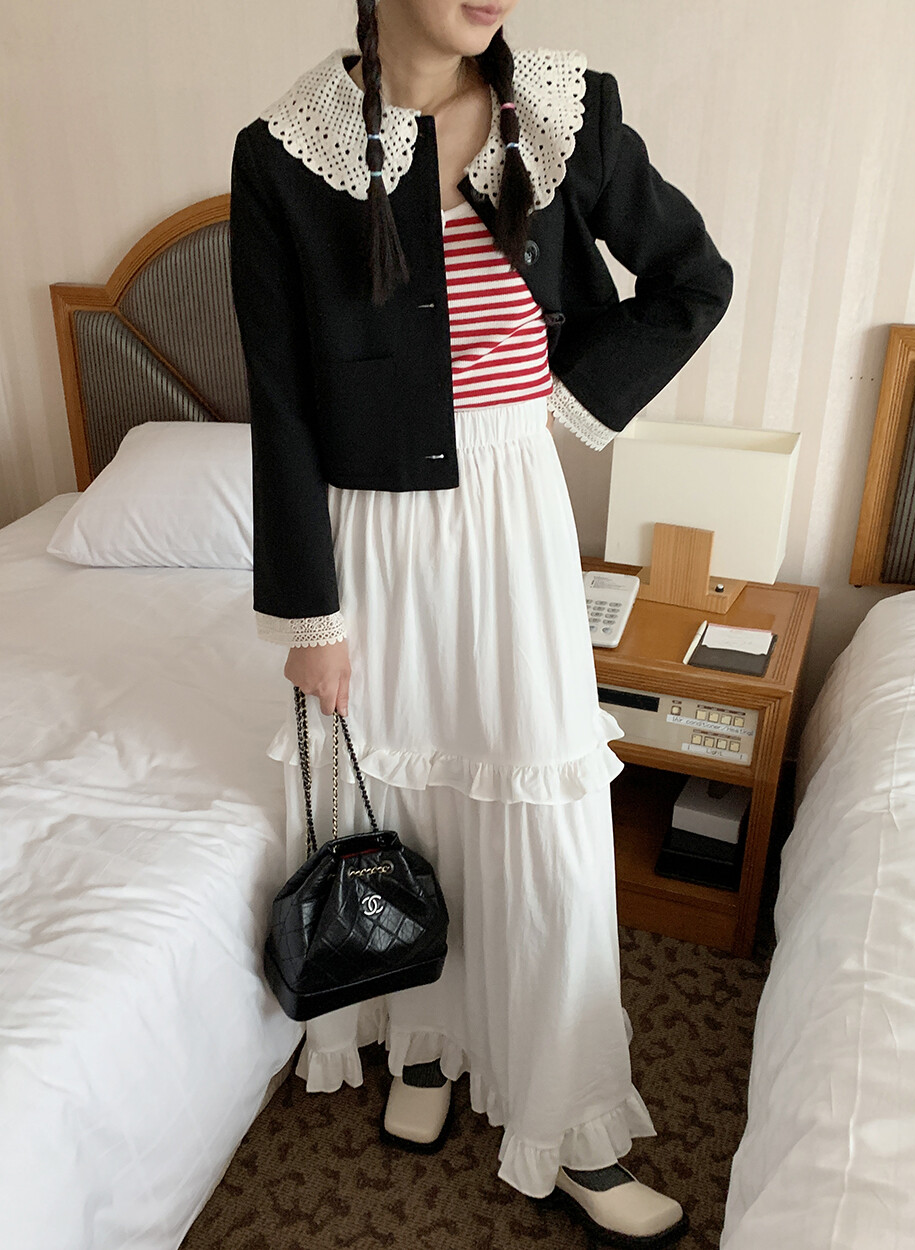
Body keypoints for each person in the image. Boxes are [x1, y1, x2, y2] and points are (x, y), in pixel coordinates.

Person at [229, 2, 732, 1245]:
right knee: (400, 803)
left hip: (513, 519)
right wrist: (310, 615)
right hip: (366, 536)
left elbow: (692, 279)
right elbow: (279, 400)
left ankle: (573, 1123)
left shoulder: (561, 111)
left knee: (539, 813)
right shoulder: (284, 152)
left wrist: (560, 395)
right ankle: (422, 1040)